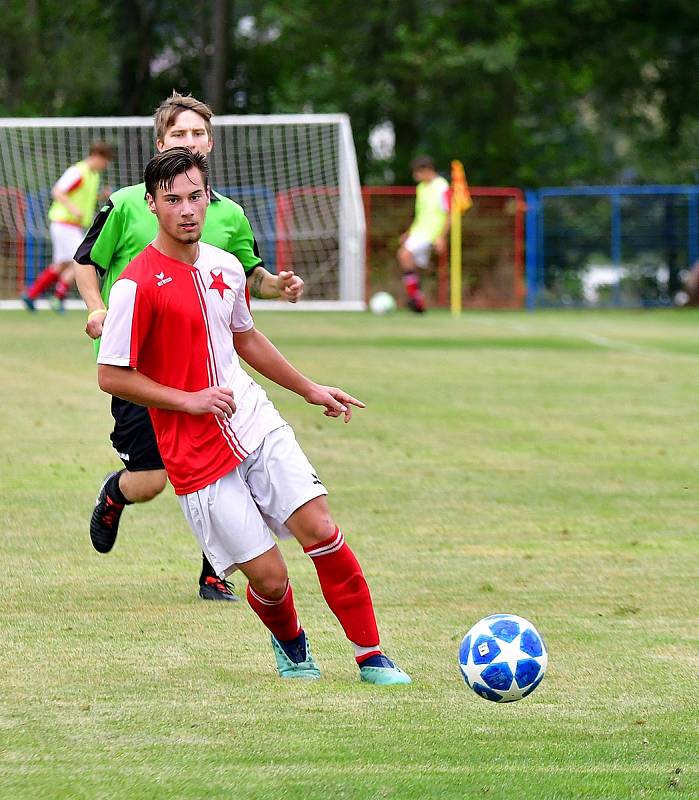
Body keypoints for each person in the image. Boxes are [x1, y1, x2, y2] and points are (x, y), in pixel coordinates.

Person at [97, 146, 411, 685]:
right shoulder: (134, 285)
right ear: (151, 205)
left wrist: (308, 388)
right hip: (193, 453)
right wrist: (188, 399)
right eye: (173, 200)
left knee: (322, 529)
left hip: (253, 421)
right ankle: (292, 646)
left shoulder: (224, 265)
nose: (187, 210)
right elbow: (112, 375)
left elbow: (245, 337)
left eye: (196, 196)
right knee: (268, 578)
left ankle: (372, 656)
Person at [74, 93, 304, 602]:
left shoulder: (228, 214)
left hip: (209, 368)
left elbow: (249, 277)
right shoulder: (129, 203)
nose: (190, 141)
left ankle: (214, 572)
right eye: (179, 135)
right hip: (144, 370)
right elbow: (86, 261)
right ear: (161, 144)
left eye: (198, 134)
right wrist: (95, 307)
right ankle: (116, 493)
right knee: (152, 479)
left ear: (211, 142)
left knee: (226, 461)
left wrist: (277, 286)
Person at [22, 141, 113, 312]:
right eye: (105, 161)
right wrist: (73, 209)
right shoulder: (77, 171)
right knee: (80, 261)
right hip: (64, 223)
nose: (105, 165)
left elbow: (84, 198)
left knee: (61, 265)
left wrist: (102, 196)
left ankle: (31, 295)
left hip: (73, 226)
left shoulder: (93, 175)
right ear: (96, 156)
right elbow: (57, 191)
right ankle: (57, 297)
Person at [397, 155, 450, 313]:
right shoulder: (421, 188)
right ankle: (418, 300)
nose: (416, 177)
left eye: (417, 173)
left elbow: (449, 213)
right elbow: (420, 214)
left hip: (431, 233)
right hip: (419, 231)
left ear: (427, 170)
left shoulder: (442, 186)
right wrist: (409, 232)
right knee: (414, 265)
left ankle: (416, 298)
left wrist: (442, 236)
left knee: (404, 255)